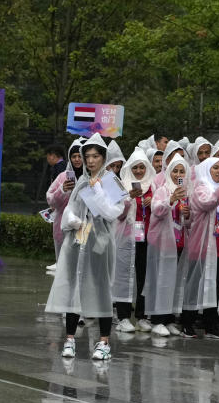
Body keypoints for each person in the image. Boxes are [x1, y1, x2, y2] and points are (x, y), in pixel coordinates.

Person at [46, 133, 124, 360]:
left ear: (103, 157)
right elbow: (70, 209)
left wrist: (97, 190)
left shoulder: (111, 182)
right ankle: (69, 339)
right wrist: (72, 220)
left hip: (101, 243)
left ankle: (104, 341)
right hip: (78, 241)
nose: (90, 161)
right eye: (87, 156)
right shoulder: (81, 182)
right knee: (74, 287)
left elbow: (113, 212)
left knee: (101, 289)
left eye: (95, 156)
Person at [177, 156, 219, 339]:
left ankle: (210, 325)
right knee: (196, 285)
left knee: (215, 285)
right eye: (215, 168)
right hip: (203, 247)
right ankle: (187, 322)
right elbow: (208, 203)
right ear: (206, 170)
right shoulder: (200, 189)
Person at [113, 149, 156, 332]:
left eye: (142, 167)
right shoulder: (121, 186)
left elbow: (162, 209)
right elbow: (118, 215)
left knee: (144, 276)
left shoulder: (153, 186)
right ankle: (123, 317)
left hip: (148, 237)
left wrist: (152, 202)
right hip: (126, 238)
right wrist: (128, 198)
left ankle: (142, 316)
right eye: (135, 167)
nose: (139, 171)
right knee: (124, 275)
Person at [146, 154, 187, 337]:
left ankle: (169, 318)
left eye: (181, 171)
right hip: (162, 242)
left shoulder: (185, 191)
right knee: (161, 280)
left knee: (174, 280)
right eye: (175, 171)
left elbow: (188, 219)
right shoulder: (163, 190)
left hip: (178, 241)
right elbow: (156, 209)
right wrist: (171, 200)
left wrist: (187, 212)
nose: (178, 174)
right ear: (169, 172)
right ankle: (157, 320)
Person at [45, 138, 84, 270]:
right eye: (74, 156)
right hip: (63, 227)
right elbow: (50, 199)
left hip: (84, 227)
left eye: (80, 156)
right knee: (64, 267)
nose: (77, 159)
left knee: (80, 264)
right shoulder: (63, 177)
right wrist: (63, 190)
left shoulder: (90, 178)